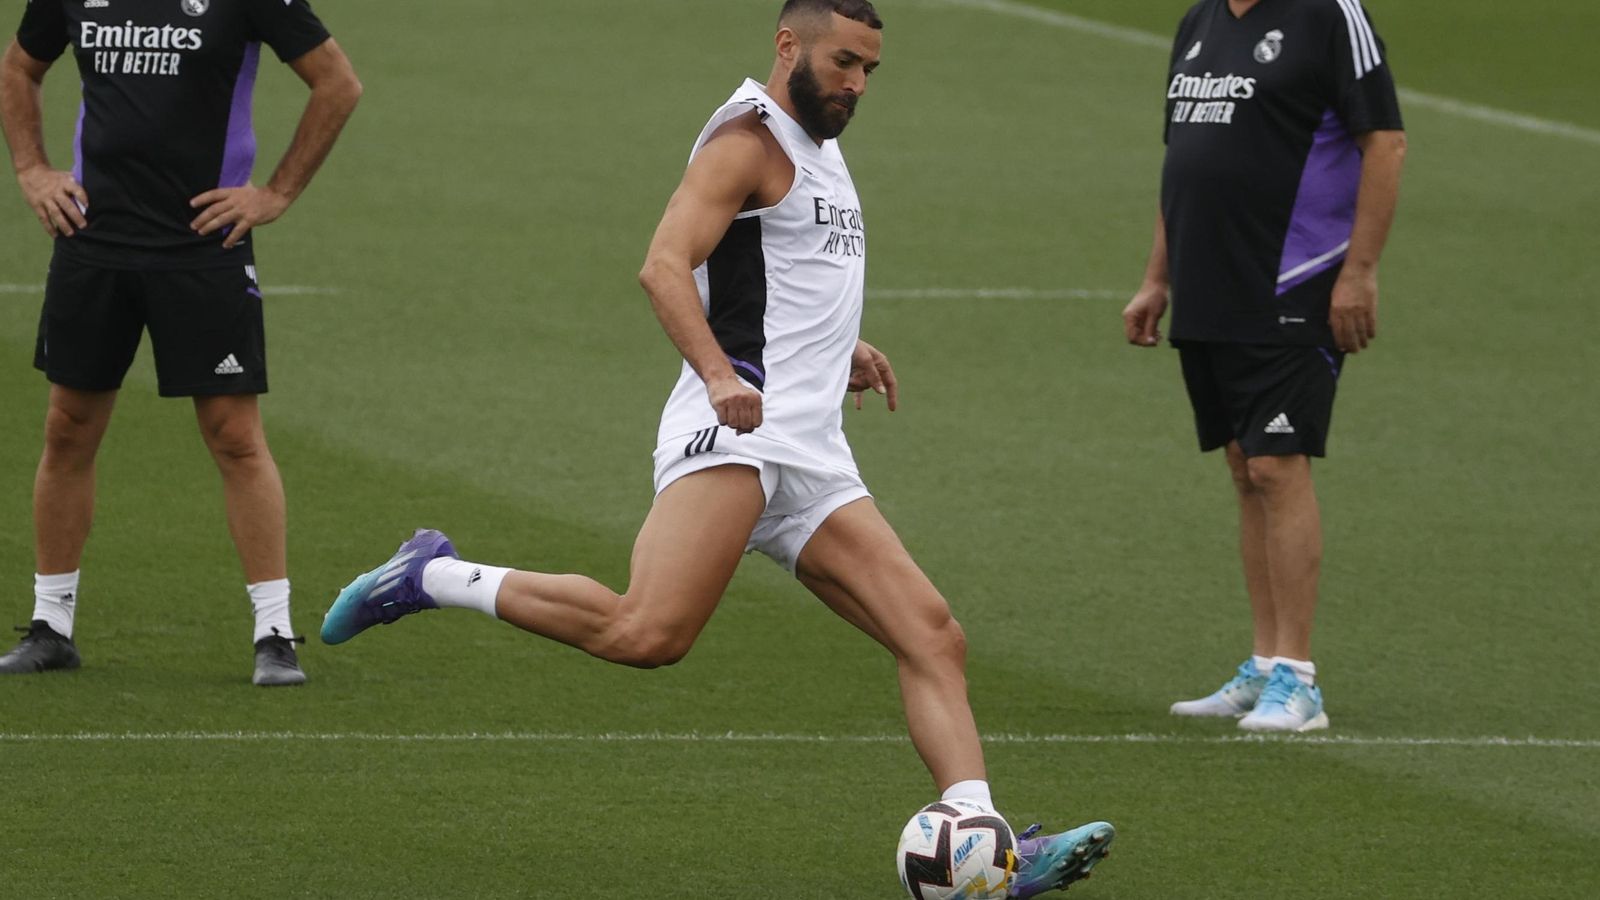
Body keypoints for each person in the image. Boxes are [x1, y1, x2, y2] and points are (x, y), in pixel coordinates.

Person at [323, 1, 1113, 894]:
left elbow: (779, 272)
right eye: (845, 62)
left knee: (933, 636)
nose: (857, 84)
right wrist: (719, 377)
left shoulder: (821, 141)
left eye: (870, 70)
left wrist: (837, 348)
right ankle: (429, 575)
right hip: (734, 428)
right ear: (789, 46)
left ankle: (990, 845)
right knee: (646, 632)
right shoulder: (746, 139)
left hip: (810, 451)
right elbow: (664, 264)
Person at [0, 0, 362, 685]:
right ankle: (51, 626)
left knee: (234, 434)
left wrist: (276, 193)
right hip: (93, 240)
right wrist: (31, 169)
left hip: (203, 244)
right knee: (68, 428)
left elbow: (337, 81)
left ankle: (275, 634)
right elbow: (19, 66)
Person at [1122, 0, 1406, 732]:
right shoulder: (1199, 23)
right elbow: (1179, 158)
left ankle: (1300, 679)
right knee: (1246, 465)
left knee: (1279, 466)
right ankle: (1266, 664)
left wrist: (1360, 271)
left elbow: (1386, 142)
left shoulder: (1327, 15)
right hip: (1210, 287)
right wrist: (1158, 277)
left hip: (1295, 280)